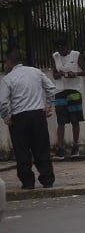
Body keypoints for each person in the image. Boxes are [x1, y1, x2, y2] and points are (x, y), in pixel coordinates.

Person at [0, 48, 56, 189]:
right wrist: (48, 106)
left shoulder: (8, 79)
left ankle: (27, 182)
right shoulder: (35, 72)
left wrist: (6, 117)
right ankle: (47, 179)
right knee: (42, 147)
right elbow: (50, 88)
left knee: (22, 150)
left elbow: (2, 102)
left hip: (19, 118)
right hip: (38, 115)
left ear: (9, 62)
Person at [51, 38, 85, 159]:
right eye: (59, 49)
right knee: (61, 121)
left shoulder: (76, 55)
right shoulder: (55, 56)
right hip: (60, 91)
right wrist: (60, 74)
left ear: (66, 47)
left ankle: (75, 146)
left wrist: (75, 74)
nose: (61, 51)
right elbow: (54, 75)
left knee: (74, 120)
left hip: (74, 90)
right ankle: (60, 148)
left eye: (63, 49)